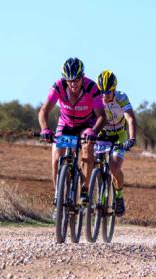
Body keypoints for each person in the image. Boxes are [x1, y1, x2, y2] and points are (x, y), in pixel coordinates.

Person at [38, 57, 106, 212]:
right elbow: (44, 111)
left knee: (87, 148)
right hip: (66, 124)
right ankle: (58, 197)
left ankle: (84, 189)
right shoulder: (58, 87)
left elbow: (102, 116)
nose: (73, 84)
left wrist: (93, 131)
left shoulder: (92, 88)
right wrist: (45, 129)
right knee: (56, 157)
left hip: (86, 125)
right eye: (69, 81)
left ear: (82, 77)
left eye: (76, 80)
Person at [96, 70, 137, 217]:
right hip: (102, 133)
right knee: (95, 164)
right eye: (102, 92)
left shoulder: (121, 98)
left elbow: (130, 119)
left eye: (108, 92)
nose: (104, 95)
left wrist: (131, 139)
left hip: (119, 135)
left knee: (114, 167)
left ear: (114, 90)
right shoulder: (96, 98)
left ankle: (119, 196)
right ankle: (98, 193)